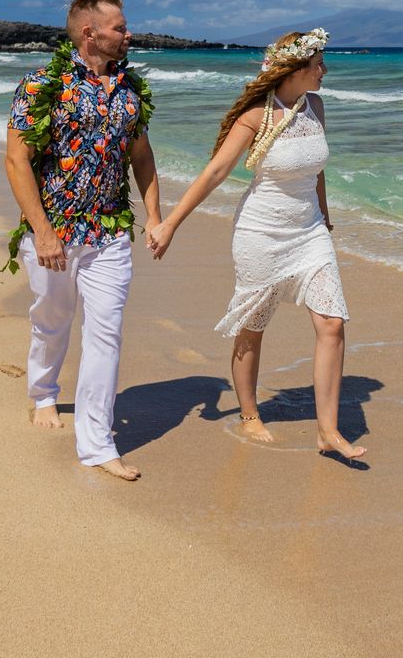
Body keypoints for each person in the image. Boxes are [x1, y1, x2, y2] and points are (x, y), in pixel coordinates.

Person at [148, 29, 366, 460]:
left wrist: (324, 215)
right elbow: (214, 173)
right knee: (254, 325)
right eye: (319, 63)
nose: (325, 69)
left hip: (309, 233)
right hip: (260, 234)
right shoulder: (256, 116)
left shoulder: (315, 107)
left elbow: (316, 170)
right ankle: (249, 415)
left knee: (332, 324)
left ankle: (328, 430)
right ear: (296, 69)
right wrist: (170, 223)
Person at [3, 0, 161, 481]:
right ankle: (44, 394)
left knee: (106, 333)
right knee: (52, 319)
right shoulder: (40, 86)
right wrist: (43, 231)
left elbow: (142, 158)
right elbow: (17, 160)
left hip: (109, 234)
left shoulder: (130, 92)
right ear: (90, 33)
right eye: (120, 27)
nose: (128, 34)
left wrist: (154, 216)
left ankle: (96, 445)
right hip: (55, 232)